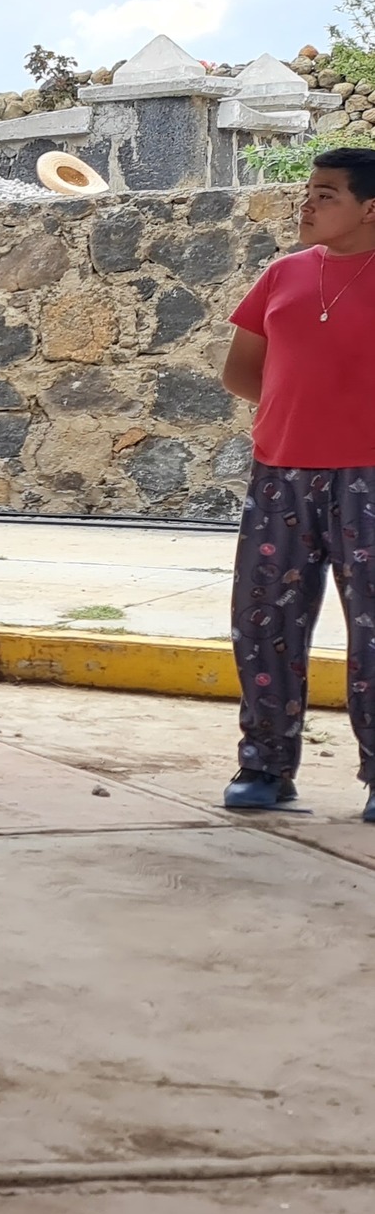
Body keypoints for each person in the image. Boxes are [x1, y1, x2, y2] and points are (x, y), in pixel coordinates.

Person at [214, 145, 375, 820]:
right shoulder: (282, 274)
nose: (307, 203)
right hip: (280, 474)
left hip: (369, 477)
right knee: (264, 620)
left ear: (370, 207)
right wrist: (298, 415)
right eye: (308, 190)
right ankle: (265, 766)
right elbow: (241, 372)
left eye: (327, 194)